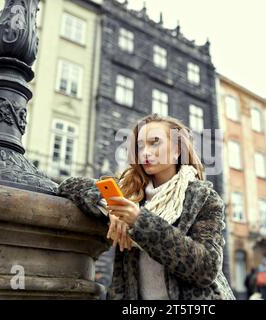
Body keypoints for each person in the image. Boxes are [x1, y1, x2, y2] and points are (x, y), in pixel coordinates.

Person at [57, 113, 235, 300]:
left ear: (177, 150)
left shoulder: (203, 198)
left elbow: (206, 267)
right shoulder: (130, 192)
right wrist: (113, 209)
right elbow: (69, 185)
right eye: (140, 146)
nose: (145, 152)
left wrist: (139, 221)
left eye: (154, 142)